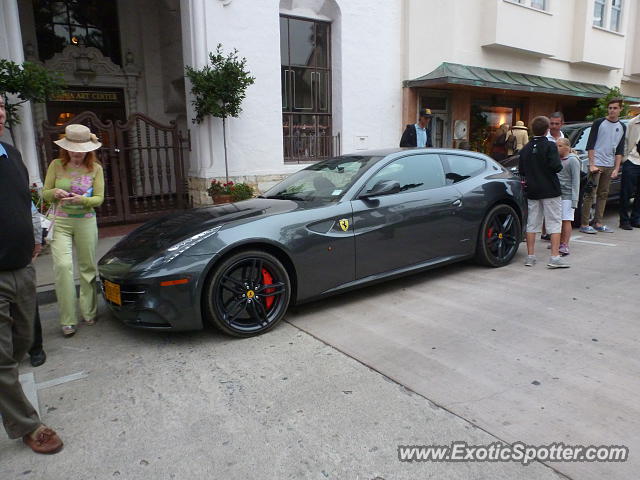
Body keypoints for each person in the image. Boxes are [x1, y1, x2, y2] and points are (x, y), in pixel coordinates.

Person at [0, 94, 63, 453]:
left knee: (24, 341)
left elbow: (24, 200)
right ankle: (28, 424)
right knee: (3, 359)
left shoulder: (12, 154)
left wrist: (38, 234)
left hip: (23, 267)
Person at [42, 124, 104, 337]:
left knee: (87, 268)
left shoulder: (96, 168)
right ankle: (68, 319)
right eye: (73, 150)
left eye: (81, 151)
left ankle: (89, 311)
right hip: (60, 221)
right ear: (65, 148)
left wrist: (83, 200)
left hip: (85, 221)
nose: (77, 155)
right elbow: (45, 193)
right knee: (63, 266)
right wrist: (55, 192)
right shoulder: (56, 165)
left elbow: (99, 199)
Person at [518, 116, 569, 268]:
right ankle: (554, 257)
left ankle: (530, 256)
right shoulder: (550, 145)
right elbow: (556, 167)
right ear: (547, 129)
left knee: (532, 223)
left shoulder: (525, 149)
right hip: (550, 189)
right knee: (554, 222)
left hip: (533, 190)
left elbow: (522, 171)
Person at [579, 98, 626, 234]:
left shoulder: (622, 126)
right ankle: (584, 224)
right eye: (610, 108)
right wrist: (592, 164)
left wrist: (616, 168)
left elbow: (619, 150)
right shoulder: (599, 123)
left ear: (620, 109)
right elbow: (591, 144)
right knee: (589, 193)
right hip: (597, 163)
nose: (612, 110)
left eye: (615, 108)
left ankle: (598, 223)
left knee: (603, 194)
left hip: (610, 164)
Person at [556, 138, 581, 256]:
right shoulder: (558, 159)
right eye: (557, 145)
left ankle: (565, 244)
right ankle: (559, 242)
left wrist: (574, 200)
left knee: (566, 220)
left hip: (568, 195)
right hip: (558, 194)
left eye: (560, 146)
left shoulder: (573, 161)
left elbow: (576, 181)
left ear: (567, 147)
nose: (557, 148)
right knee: (559, 220)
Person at [29, 201, 46, 367]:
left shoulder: (14, 177)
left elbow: (32, 213)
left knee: (27, 302)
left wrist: (36, 240)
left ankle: (35, 348)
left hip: (17, 254)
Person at [619, 113, 640, 230]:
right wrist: (625, 158)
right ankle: (624, 220)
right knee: (626, 192)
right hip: (632, 160)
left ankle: (636, 219)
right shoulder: (632, 123)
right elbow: (625, 141)